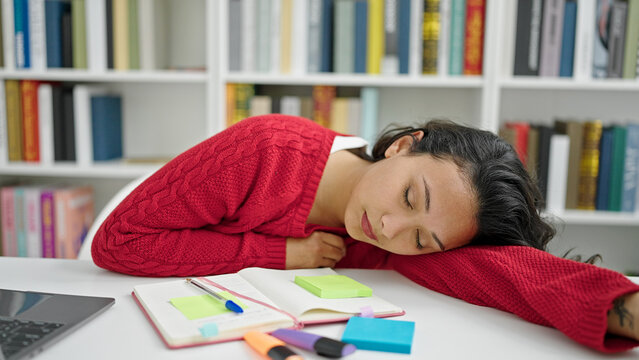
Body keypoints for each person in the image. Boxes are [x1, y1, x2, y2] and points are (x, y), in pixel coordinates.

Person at [92, 114, 639, 352]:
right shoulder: (264, 153)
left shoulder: (400, 237)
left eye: (423, 240)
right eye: (408, 198)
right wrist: (282, 253)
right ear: (404, 144)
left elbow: (498, 271)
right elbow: (119, 242)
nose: (391, 230)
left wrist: (618, 307)